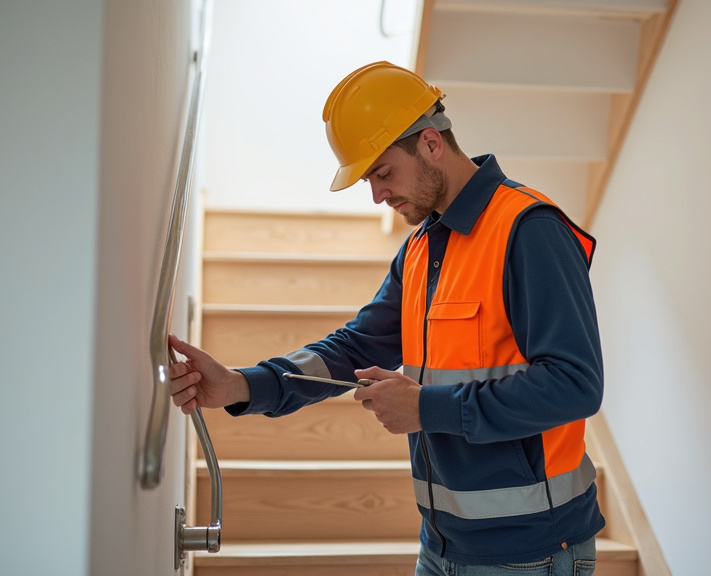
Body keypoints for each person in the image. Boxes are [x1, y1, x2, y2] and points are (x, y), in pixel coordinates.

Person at [168, 60, 605, 576]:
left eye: (382, 172)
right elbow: (352, 350)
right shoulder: (421, 249)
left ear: (430, 143)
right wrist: (242, 386)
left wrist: (427, 409)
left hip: (532, 554)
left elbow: (576, 385)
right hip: (441, 548)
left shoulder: (528, 230)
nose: (377, 194)